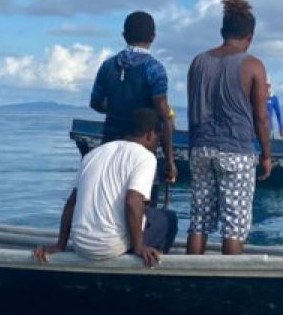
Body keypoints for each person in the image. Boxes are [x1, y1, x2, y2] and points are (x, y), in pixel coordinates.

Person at [33, 108, 178, 267]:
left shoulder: (93, 154)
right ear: (150, 134)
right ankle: (148, 267)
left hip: (81, 245)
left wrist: (60, 245)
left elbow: (72, 203)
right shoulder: (145, 157)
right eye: (158, 138)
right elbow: (132, 201)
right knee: (169, 219)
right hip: (110, 247)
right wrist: (139, 247)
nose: (157, 144)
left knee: (145, 212)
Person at [185, 0, 272, 256]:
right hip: (236, 151)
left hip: (200, 148)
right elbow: (261, 118)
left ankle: (190, 277)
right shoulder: (253, 65)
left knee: (198, 219)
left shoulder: (198, 62)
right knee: (234, 225)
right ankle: (228, 282)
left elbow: (192, 109)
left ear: (222, 31)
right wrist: (266, 155)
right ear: (250, 36)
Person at [89, 11, 177, 184]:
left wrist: (116, 106)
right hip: (141, 148)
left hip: (109, 145)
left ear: (124, 35)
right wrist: (170, 161)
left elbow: (96, 103)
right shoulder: (154, 68)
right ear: (153, 37)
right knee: (141, 202)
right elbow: (163, 114)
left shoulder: (107, 66)